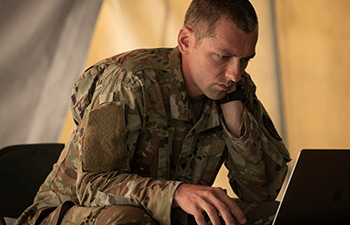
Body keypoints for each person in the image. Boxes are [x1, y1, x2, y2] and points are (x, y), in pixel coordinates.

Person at [17, 0, 291, 224]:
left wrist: (235, 123)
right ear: (186, 41)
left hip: (161, 216)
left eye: (245, 60)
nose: (235, 73)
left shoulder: (235, 89)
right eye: (223, 56)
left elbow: (260, 194)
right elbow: (93, 185)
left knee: (272, 216)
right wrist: (175, 193)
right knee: (128, 220)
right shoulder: (128, 81)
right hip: (65, 215)